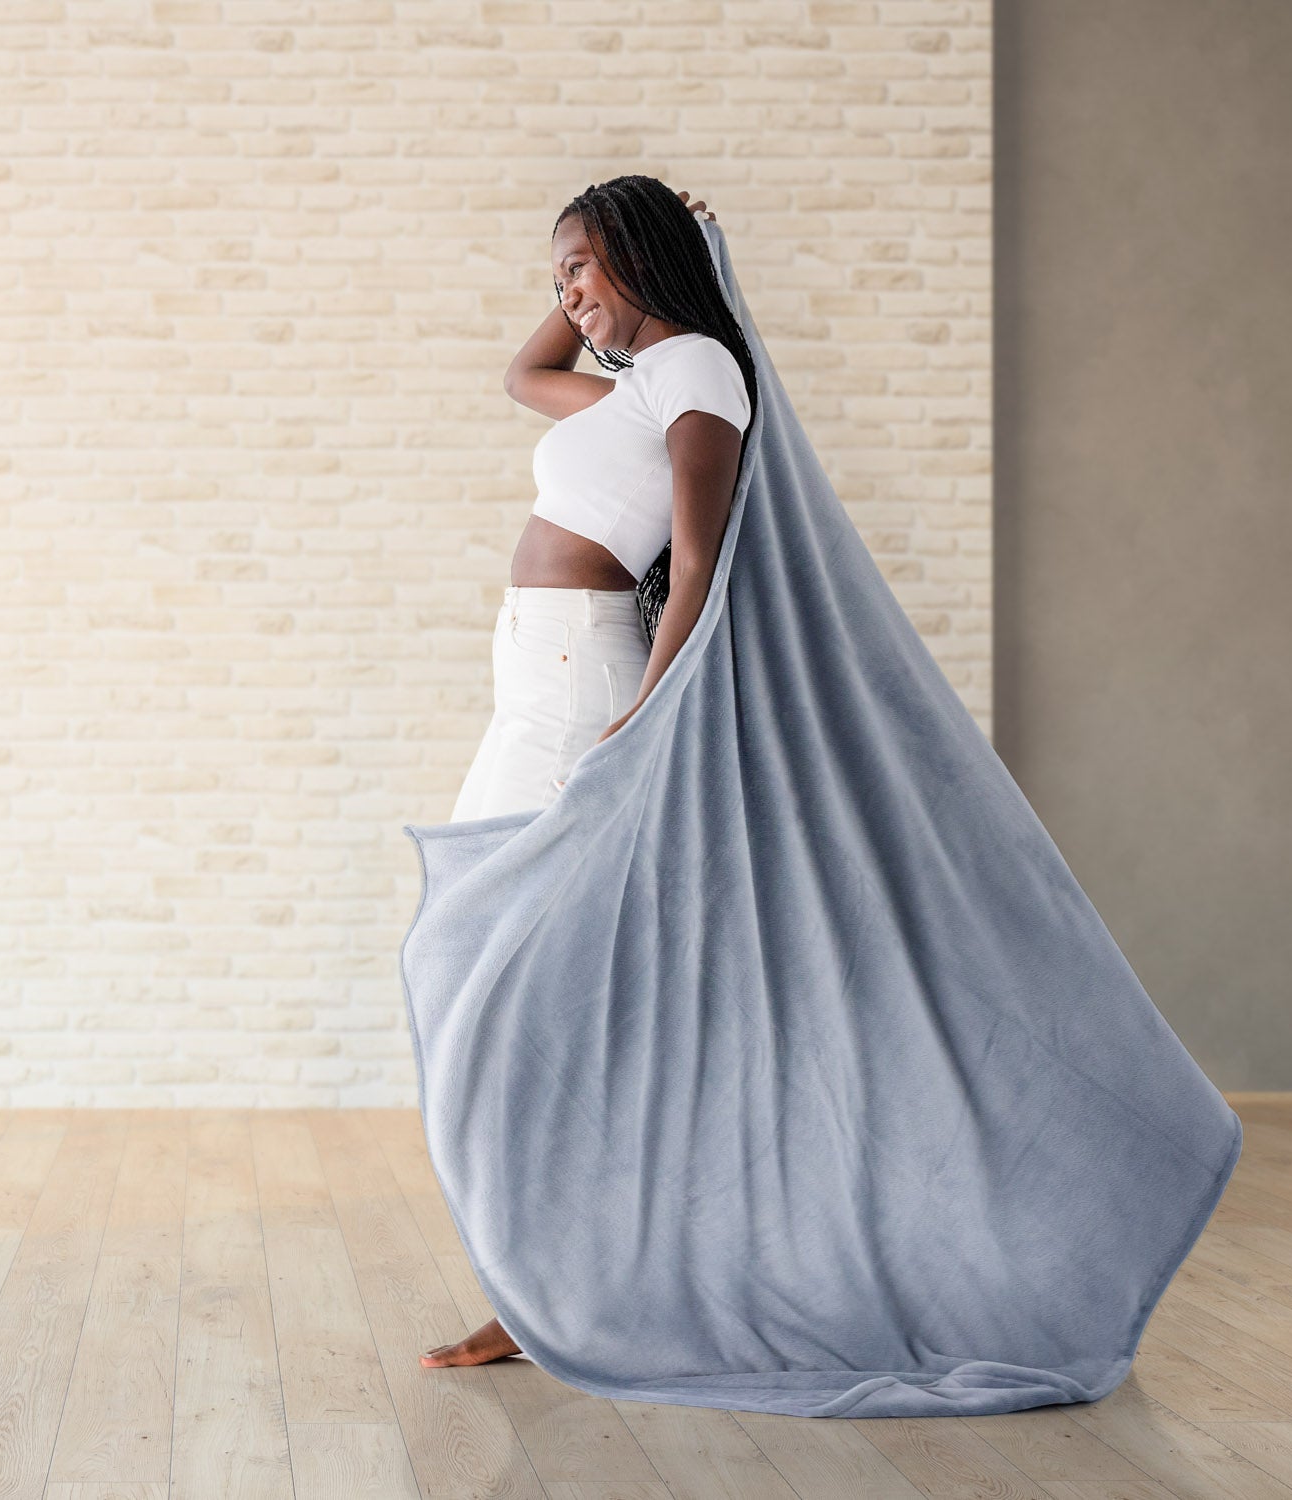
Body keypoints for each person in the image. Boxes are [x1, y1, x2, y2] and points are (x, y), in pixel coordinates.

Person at [422, 175, 756, 1369]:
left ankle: (548, 1293)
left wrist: (644, 725)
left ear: (641, 255)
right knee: (484, 960)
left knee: (515, 975)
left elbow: (702, 562)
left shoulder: (695, 371)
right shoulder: (623, 388)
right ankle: (545, 1286)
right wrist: (586, 278)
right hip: (537, 680)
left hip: (580, 692)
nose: (564, 293)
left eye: (581, 267)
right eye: (554, 275)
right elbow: (524, 378)